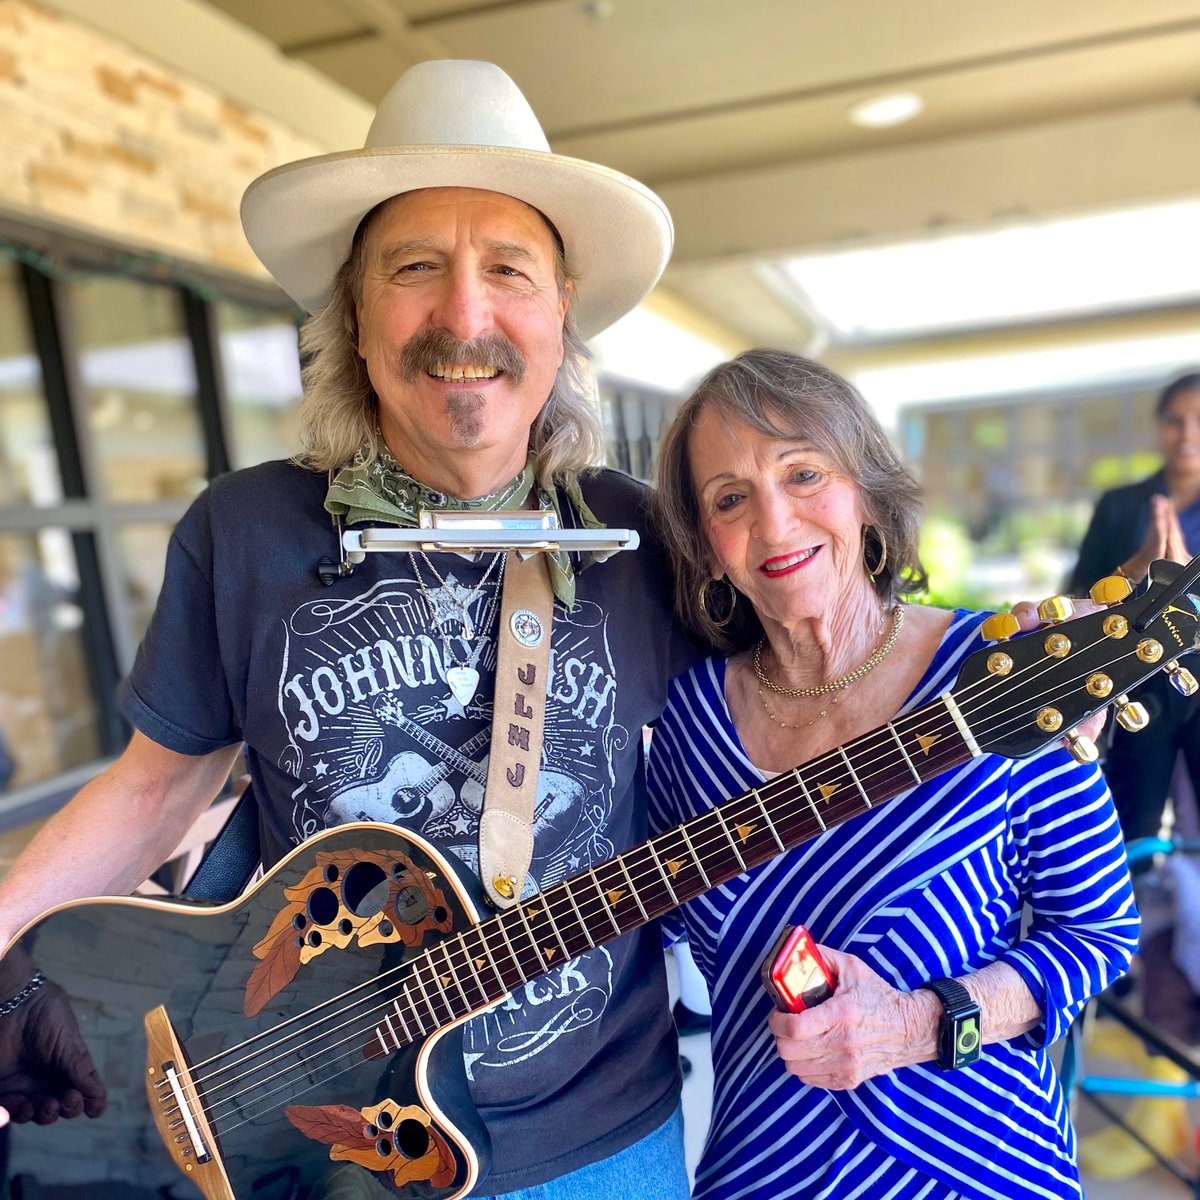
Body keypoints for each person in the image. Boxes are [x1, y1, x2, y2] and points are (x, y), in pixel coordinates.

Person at [0, 60, 698, 1199]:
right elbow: (151, 790)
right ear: (357, 319)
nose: (464, 316)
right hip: (321, 1137)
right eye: (415, 269)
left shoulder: (637, 534)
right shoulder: (244, 529)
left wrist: (957, 660)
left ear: (560, 315)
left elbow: (805, 694)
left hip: (600, 1140)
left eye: (507, 271)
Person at [646, 349, 1140, 1200]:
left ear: (868, 494)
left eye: (804, 473)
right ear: (707, 547)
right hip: (763, 1170)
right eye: (730, 498)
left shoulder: (1000, 672)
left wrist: (916, 1025)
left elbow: (1100, 936)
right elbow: (646, 937)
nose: (774, 522)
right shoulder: (690, 721)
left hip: (980, 1169)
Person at [1068, 371, 1200, 1181]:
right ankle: (1109, 970)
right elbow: (1077, 606)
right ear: (1159, 430)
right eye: (1177, 422)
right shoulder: (1125, 506)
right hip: (1144, 699)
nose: (1189, 436)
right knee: (1123, 839)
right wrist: (1140, 566)